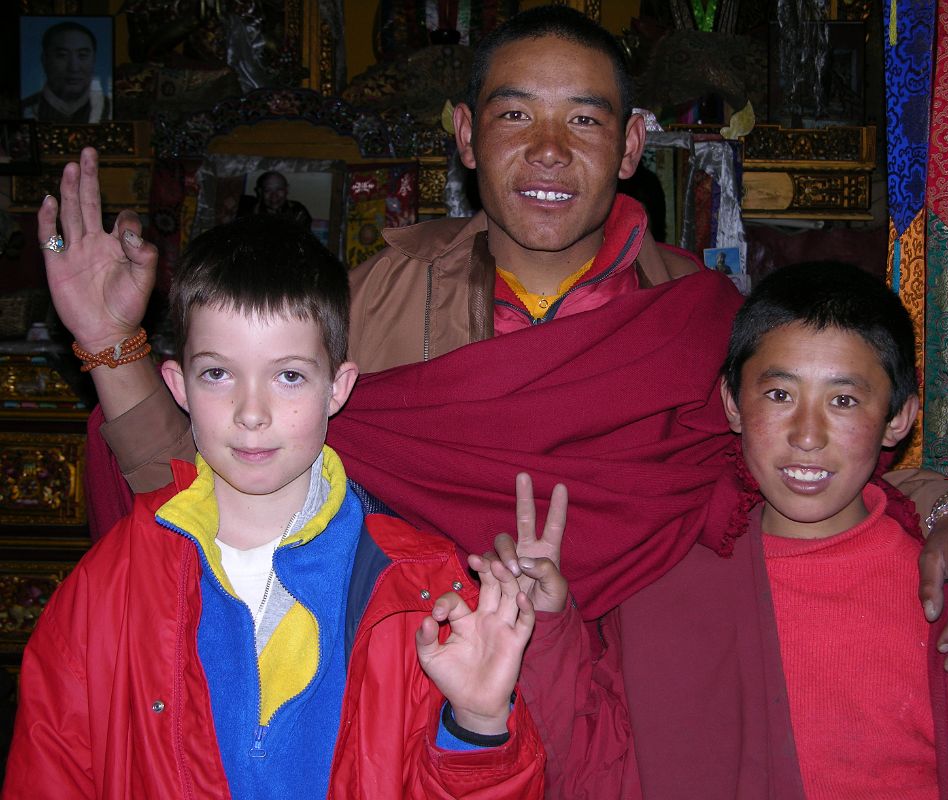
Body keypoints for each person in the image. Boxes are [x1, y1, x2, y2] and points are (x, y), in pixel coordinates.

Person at [39, 6, 948, 796]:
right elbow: (222, 475)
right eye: (514, 115)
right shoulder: (374, 296)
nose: (548, 150)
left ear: (632, 141)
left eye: (584, 119)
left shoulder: (693, 317)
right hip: (411, 725)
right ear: (465, 134)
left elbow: (808, 456)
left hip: (631, 726)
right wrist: (112, 346)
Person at [4, 216, 545, 799]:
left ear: (337, 388)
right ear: (177, 385)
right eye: (218, 374)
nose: (252, 412)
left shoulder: (425, 591)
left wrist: (478, 725)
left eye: (288, 376)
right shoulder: (105, 589)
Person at [716, 261, 948, 798]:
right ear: (732, 402)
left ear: (899, 418)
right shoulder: (681, 577)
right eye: (780, 395)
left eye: (844, 400)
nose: (807, 435)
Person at [22, 21, 110, 123]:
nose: (74, 67)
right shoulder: (26, 110)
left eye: (82, 55)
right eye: (62, 55)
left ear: (94, 60)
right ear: (44, 59)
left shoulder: (108, 110)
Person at [237, 170, 313, 229]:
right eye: (268, 190)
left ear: (287, 190)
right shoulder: (248, 211)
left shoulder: (298, 211)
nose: (274, 196)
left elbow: (303, 243)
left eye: (279, 189)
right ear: (260, 192)